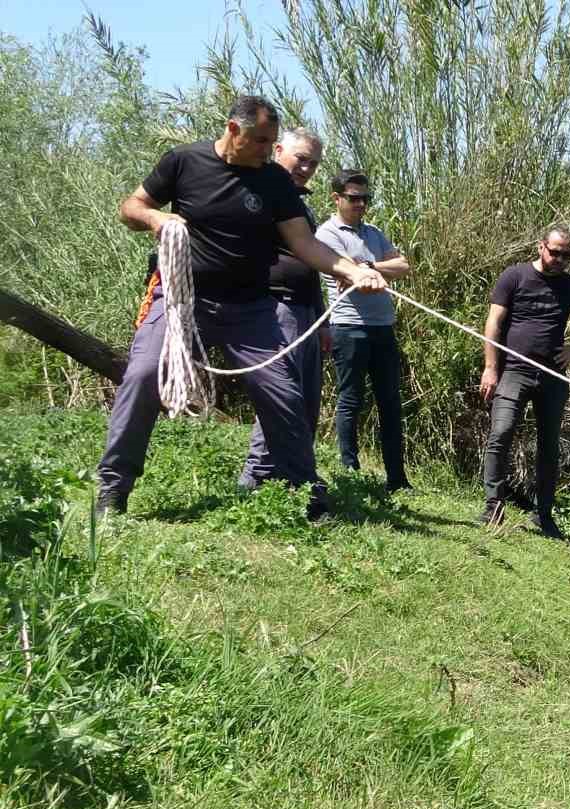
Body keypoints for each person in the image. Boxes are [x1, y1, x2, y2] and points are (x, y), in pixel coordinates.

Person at [96, 96, 386, 520]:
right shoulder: (183, 161)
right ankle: (113, 489)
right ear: (234, 130)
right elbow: (131, 207)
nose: (269, 151)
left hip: (250, 310)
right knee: (142, 375)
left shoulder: (274, 182)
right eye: (262, 141)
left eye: (272, 143)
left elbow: (304, 244)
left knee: (285, 396)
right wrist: (157, 220)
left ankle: (307, 491)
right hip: (181, 300)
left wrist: (353, 270)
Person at [478, 227, 570, 535]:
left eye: (567, 255)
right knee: (502, 431)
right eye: (555, 252)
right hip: (514, 371)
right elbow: (493, 324)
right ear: (541, 248)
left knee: (549, 446)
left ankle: (544, 515)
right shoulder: (515, 276)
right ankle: (493, 506)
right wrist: (490, 368)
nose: (560, 259)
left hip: (552, 375)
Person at [238, 126, 329, 490]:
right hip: (276, 307)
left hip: (306, 309)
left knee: (306, 399)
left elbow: (310, 264)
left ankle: (292, 477)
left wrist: (323, 321)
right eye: (301, 158)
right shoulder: (258, 192)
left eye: (313, 163)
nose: (306, 168)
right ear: (278, 150)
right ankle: (256, 477)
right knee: (281, 394)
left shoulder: (298, 203)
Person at [317, 169, 413, 491]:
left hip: (383, 327)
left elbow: (402, 266)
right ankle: (350, 472)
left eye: (365, 198)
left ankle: (397, 478)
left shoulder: (374, 232)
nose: (360, 204)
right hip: (349, 327)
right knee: (351, 401)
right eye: (354, 198)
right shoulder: (328, 233)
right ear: (337, 198)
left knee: (390, 401)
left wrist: (370, 267)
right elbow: (347, 274)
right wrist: (362, 271)